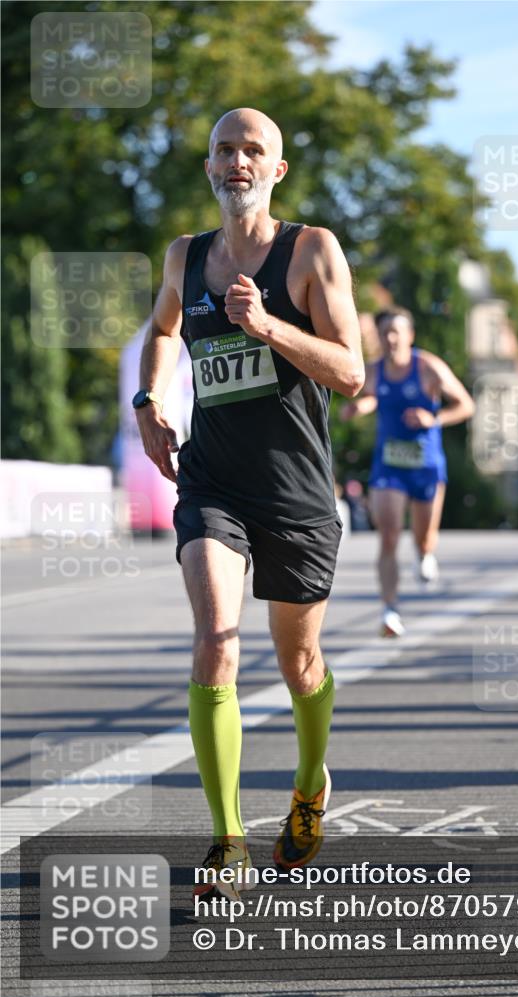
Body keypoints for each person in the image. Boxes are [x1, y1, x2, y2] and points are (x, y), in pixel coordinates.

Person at [133, 108, 363, 900]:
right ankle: (227, 840)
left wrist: (266, 325)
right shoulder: (185, 257)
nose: (237, 161)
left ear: (276, 170)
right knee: (216, 641)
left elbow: (351, 371)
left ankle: (307, 781)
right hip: (212, 484)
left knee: (299, 664)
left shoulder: (311, 251)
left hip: (296, 491)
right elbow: (164, 332)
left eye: (252, 150)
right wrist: (146, 400)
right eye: (224, 150)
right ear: (208, 168)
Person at [340, 307, 474, 637]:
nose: (390, 338)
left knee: (424, 536)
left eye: (396, 331)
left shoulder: (428, 368)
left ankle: (425, 553)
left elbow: (465, 404)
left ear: (410, 336)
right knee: (388, 535)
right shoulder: (372, 371)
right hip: (389, 465)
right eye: (384, 332)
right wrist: (360, 406)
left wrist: (435, 418)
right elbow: (372, 396)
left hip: (426, 464)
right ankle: (390, 610)